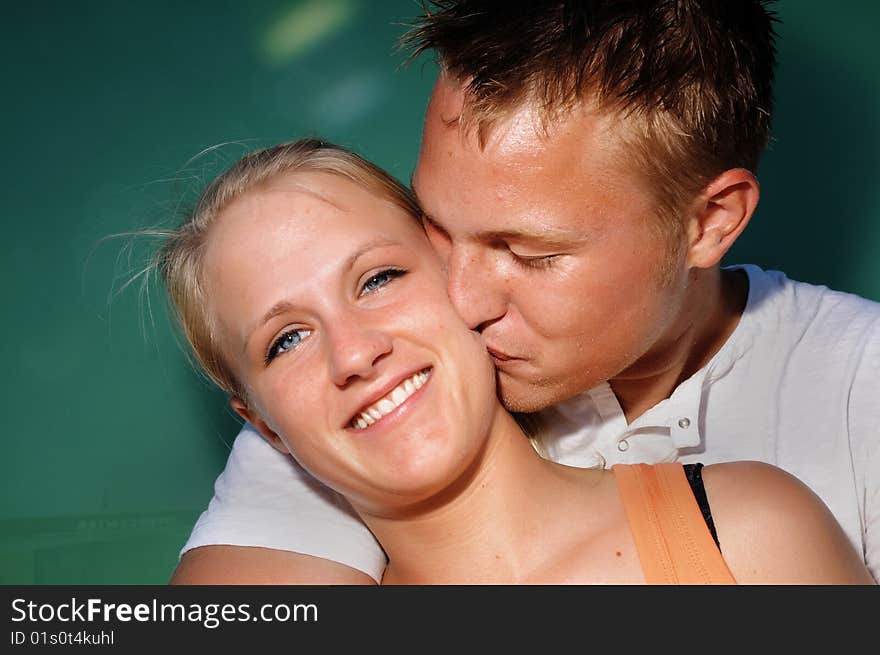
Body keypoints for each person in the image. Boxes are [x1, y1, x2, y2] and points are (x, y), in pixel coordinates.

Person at [170, 0, 880, 585]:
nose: (463, 297)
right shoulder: (374, 400)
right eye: (438, 228)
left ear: (708, 223)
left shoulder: (855, 397)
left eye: (528, 253)